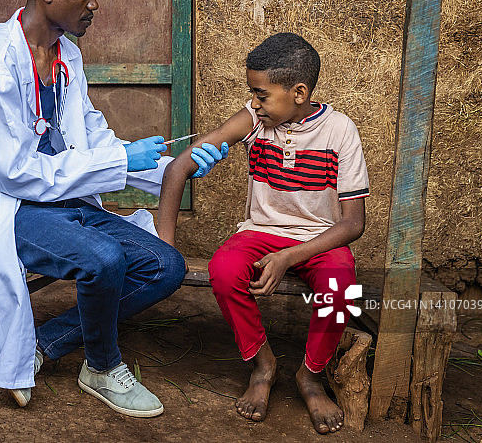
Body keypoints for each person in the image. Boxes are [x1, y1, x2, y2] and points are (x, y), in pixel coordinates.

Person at [0, 0, 226, 418]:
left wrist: (169, 169)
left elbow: (91, 140)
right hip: (6, 205)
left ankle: (45, 344)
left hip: (61, 201)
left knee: (165, 266)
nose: (94, 6)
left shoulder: (67, 54)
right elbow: (14, 174)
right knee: (104, 259)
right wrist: (118, 162)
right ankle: (101, 364)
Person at [157, 33, 369, 434]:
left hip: (318, 239)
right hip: (261, 232)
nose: (253, 103)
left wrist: (290, 257)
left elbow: (352, 224)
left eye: (262, 94)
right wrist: (165, 249)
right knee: (224, 269)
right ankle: (262, 364)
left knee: (341, 290)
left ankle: (310, 375)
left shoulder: (340, 131)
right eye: (251, 94)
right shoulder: (254, 121)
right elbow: (176, 169)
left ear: (300, 92)